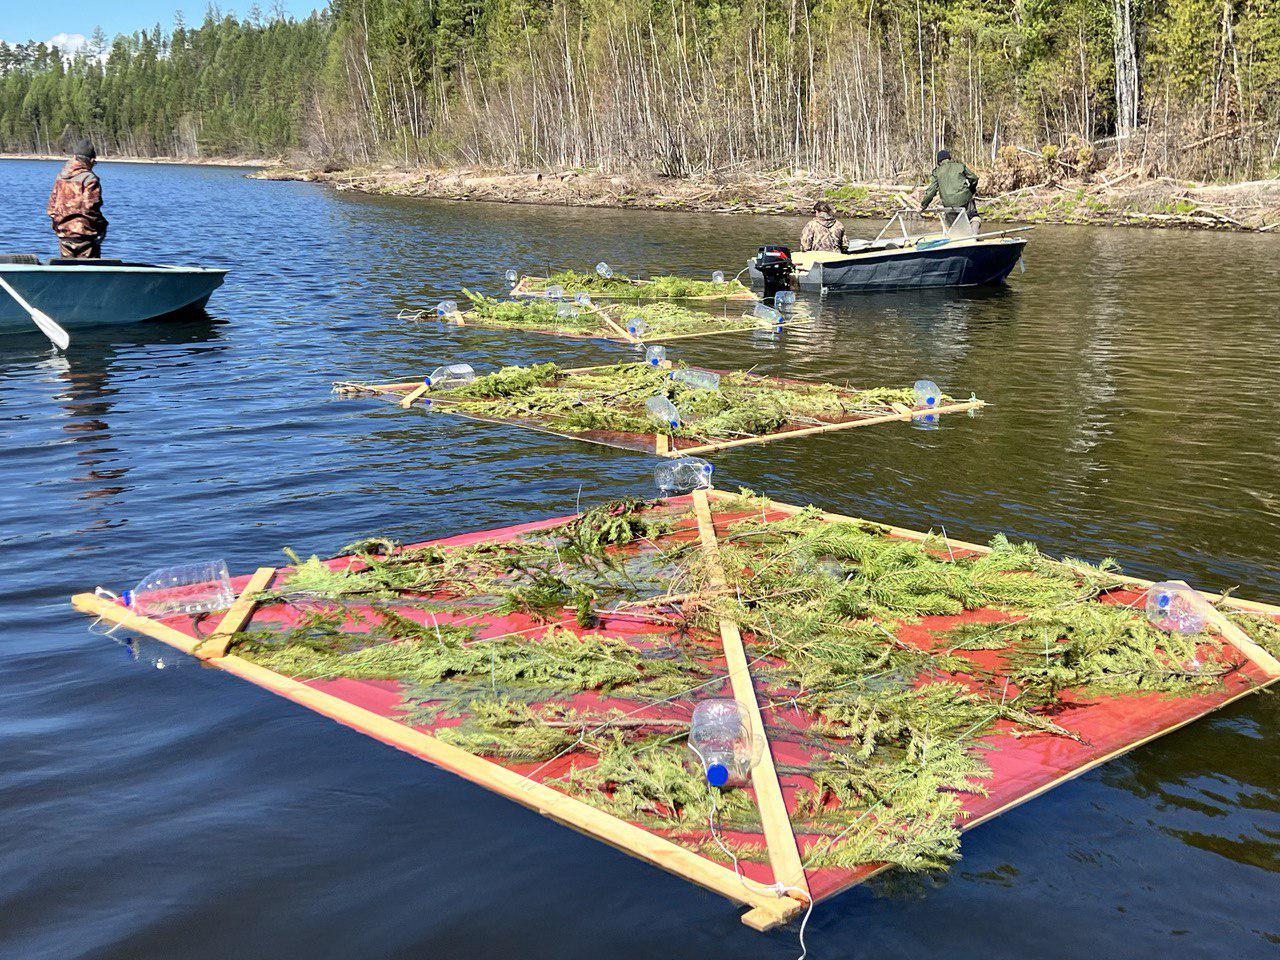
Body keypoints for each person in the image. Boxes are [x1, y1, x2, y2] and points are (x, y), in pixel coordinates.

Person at [47, 139, 108, 259]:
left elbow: (51, 209)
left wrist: (59, 227)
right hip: (85, 235)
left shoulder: (61, 177)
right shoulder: (90, 179)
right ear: (91, 160)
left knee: (67, 267)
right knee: (88, 269)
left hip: (64, 235)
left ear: (75, 157)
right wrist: (103, 226)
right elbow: (90, 209)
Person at [920, 149, 980, 231]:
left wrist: (923, 205)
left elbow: (931, 191)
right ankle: (974, 234)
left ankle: (956, 234)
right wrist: (971, 190)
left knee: (953, 223)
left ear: (938, 161)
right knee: (974, 217)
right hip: (965, 200)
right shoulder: (960, 166)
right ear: (949, 158)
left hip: (948, 204)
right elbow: (974, 178)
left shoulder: (937, 172)